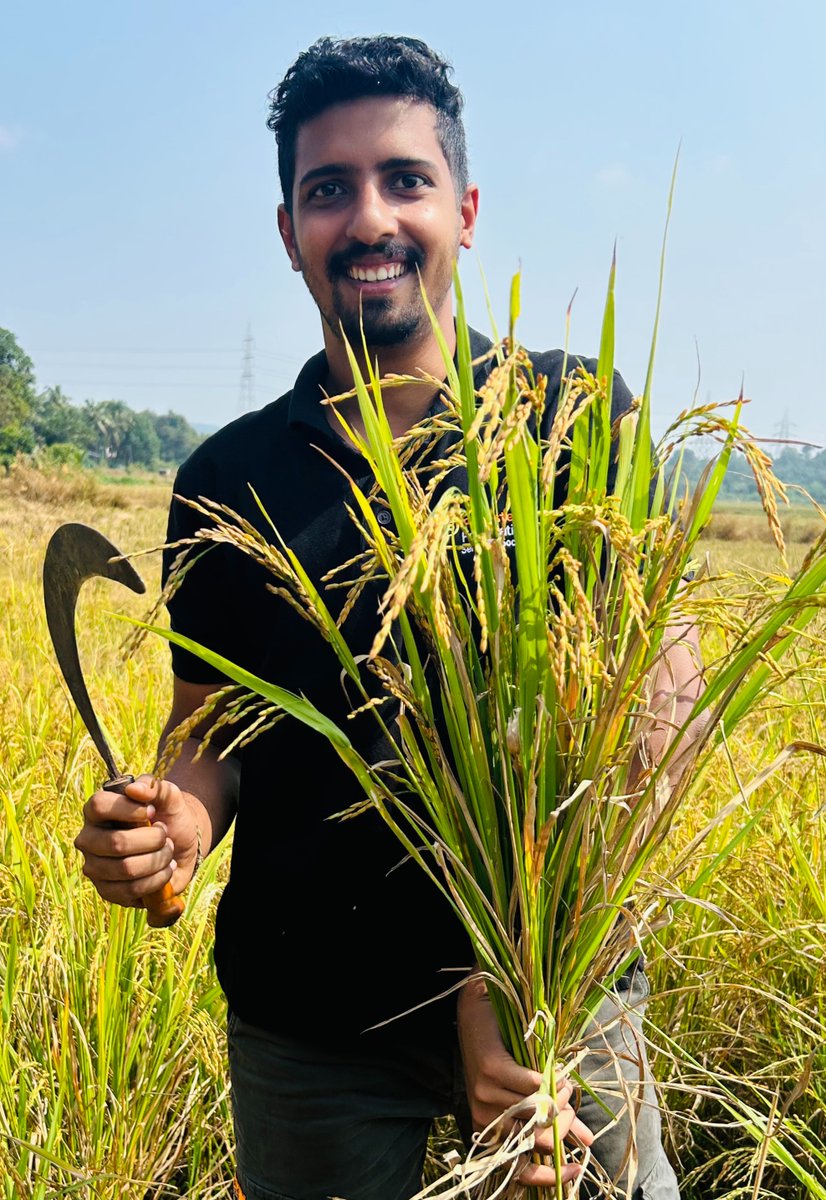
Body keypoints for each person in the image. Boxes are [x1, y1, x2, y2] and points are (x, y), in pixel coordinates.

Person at [74, 35, 701, 1200]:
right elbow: (213, 729)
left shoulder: (569, 416)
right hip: (310, 1017)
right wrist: (176, 828)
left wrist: (512, 981)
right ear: (287, 233)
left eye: (403, 180)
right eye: (328, 190)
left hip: (552, 988)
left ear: (463, 210)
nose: (368, 219)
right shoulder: (231, 477)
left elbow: (657, 727)